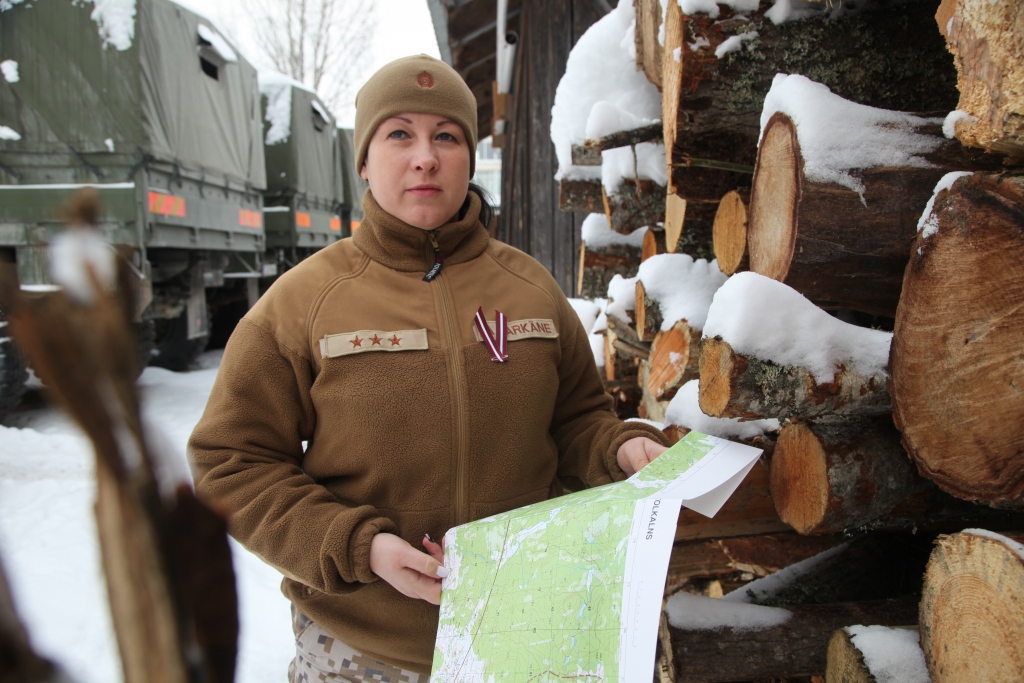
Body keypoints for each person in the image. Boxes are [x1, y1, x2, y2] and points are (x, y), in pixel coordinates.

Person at [188, 54, 670, 683]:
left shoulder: (530, 289)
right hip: (362, 651)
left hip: (524, 633)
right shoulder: (303, 303)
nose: (425, 157)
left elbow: (578, 420)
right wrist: (357, 546)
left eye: (446, 136)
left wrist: (619, 446)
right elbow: (230, 463)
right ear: (364, 161)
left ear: (469, 156)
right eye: (399, 134)